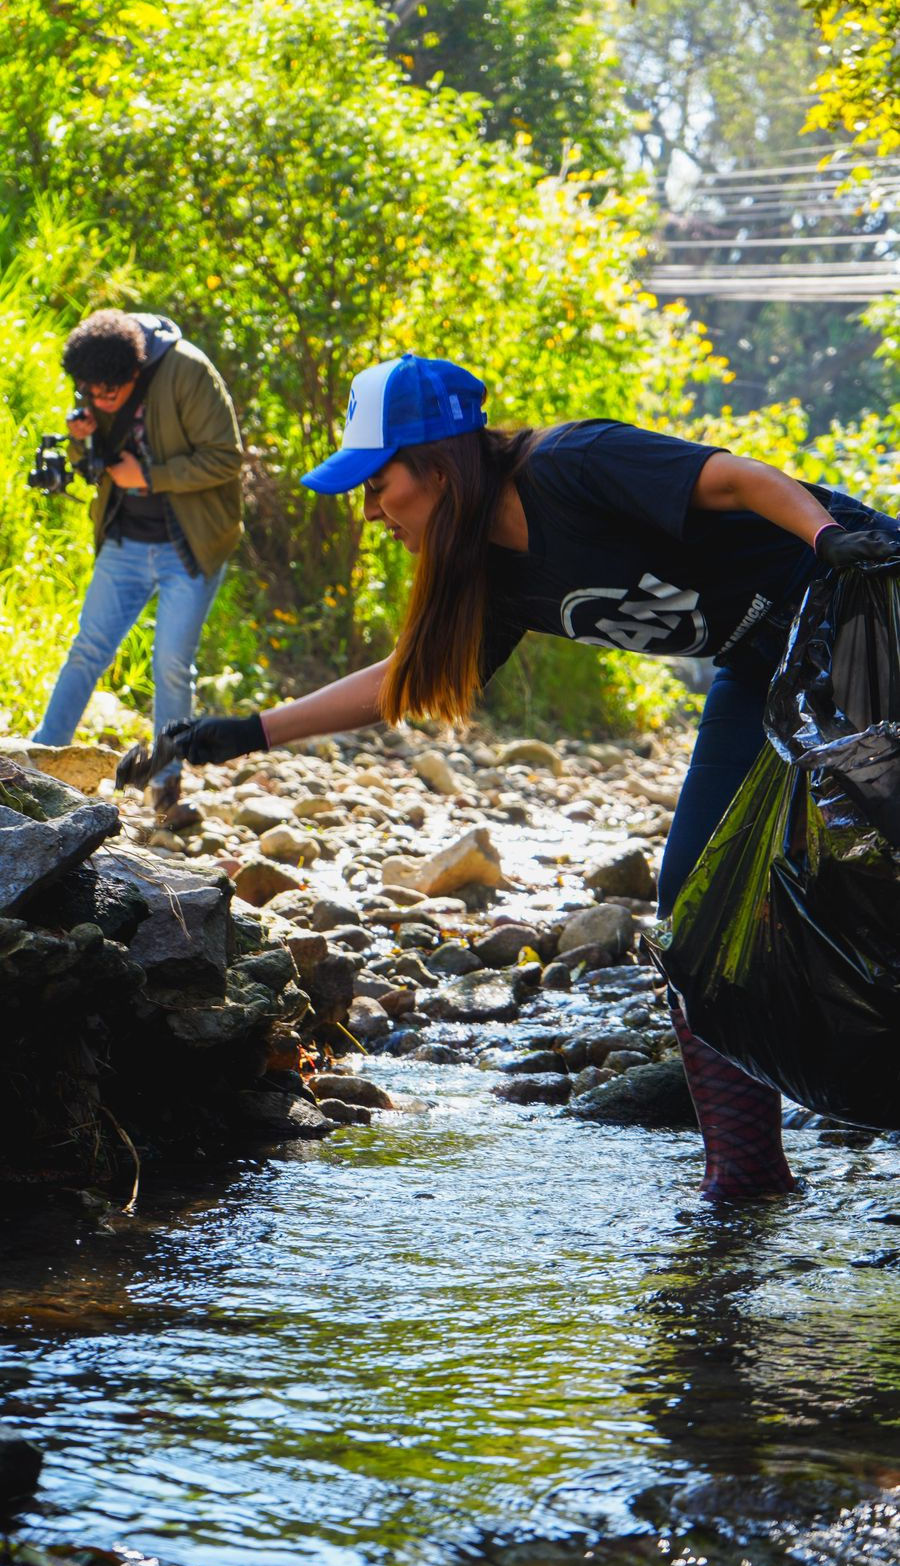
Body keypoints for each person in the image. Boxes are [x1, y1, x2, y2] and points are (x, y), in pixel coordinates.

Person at [159, 353, 900, 1197]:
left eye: (376, 483)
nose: (371, 512)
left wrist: (830, 538)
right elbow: (404, 679)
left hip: (861, 599)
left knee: (870, 865)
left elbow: (736, 481)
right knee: (695, 900)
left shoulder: (570, 468)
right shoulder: (493, 573)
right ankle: (747, 1175)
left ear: (436, 467)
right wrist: (246, 733)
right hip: (759, 663)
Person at [33, 308, 243, 825]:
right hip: (124, 540)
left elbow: (226, 457)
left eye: (109, 393)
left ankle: (166, 784)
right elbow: (97, 464)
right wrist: (83, 436)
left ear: (136, 370)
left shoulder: (188, 372)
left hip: (189, 543)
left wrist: (149, 476)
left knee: (171, 663)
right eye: (90, 393)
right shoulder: (98, 382)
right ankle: (37, 762)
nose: (100, 400)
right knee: (87, 650)